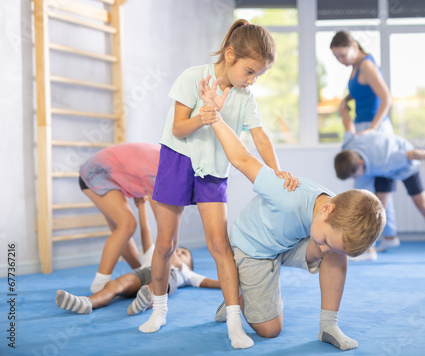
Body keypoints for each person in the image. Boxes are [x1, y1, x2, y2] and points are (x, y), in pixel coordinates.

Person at [140, 19, 299, 350]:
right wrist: (206, 115)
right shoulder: (192, 77)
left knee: (219, 245)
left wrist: (277, 171)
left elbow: (260, 137)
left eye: (258, 74)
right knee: (166, 243)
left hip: (213, 169)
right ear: (230, 55)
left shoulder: (245, 97)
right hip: (177, 159)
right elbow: (179, 128)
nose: (252, 80)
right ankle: (158, 309)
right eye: (250, 71)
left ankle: (233, 322)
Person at [198, 81, 386, 351]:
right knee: (270, 331)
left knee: (336, 252)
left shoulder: (336, 213)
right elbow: (242, 158)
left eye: (324, 243)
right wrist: (214, 117)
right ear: (326, 209)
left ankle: (328, 326)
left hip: (287, 244)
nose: (320, 248)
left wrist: (329, 247)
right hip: (255, 250)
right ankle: (240, 294)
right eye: (323, 240)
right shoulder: (286, 192)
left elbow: (328, 242)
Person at [334, 111, 425, 265]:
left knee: (423, 205)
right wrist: (344, 109)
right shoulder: (348, 145)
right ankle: (369, 251)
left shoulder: (387, 160)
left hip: (406, 166)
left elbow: (415, 153)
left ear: (361, 162)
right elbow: (347, 123)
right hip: (384, 171)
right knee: (376, 210)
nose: (355, 178)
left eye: (355, 174)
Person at [330, 30, 397, 259]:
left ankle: (368, 245)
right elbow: (361, 92)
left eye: (342, 55)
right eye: (336, 57)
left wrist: (374, 128)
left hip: (373, 128)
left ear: (355, 46)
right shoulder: (355, 68)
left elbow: (387, 98)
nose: (341, 60)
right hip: (363, 127)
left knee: (365, 186)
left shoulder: (366, 65)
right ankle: (389, 237)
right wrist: (345, 100)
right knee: (375, 184)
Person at [79, 142, 160, 293]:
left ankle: (138, 272)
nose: (182, 253)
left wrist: (141, 271)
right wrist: (172, 253)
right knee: (127, 224)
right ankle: (100, 282)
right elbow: (164, 227)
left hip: (102, 171)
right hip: (97, 172)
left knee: (122, 228)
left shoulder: (164, 161)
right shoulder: (158, 173)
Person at [55, 246, 220, 315]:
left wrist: (234, 281)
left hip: (166, 276)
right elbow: (146, 231)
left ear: (189, 266)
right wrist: (141, 206)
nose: (177, 251)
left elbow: (209, 282)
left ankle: (143, 302)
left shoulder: (186, 273)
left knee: (154, 288)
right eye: (177, 249)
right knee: (115, 284)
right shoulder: (158, 254)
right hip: (143, 272)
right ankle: (87, 303)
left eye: (183, 253)